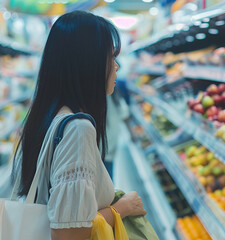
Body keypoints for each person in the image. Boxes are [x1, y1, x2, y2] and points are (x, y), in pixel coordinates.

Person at [12, 11, 147, 240]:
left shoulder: (49, 115)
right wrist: (124, 207)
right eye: (110, 57)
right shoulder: (78, 129)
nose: (116, 66)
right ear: (88, 62)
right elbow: (70, 234)